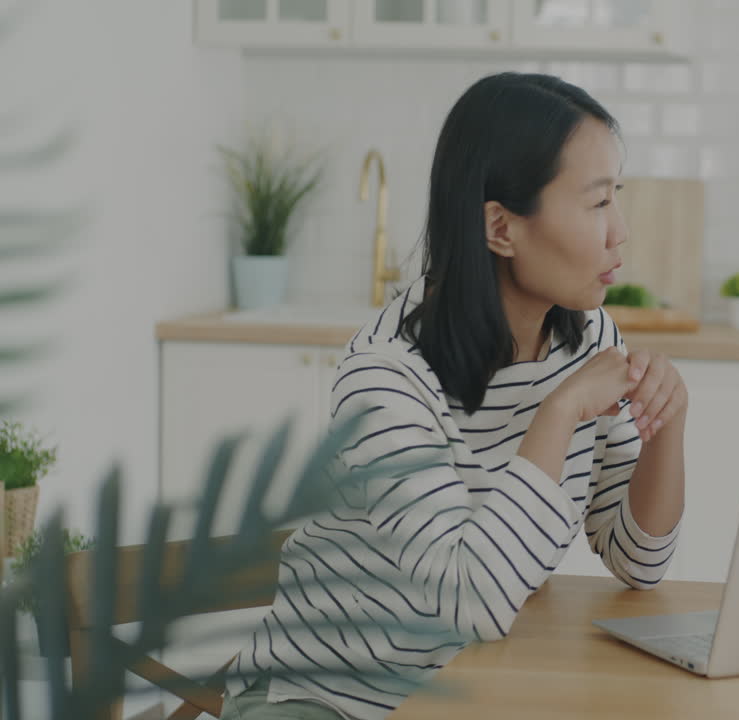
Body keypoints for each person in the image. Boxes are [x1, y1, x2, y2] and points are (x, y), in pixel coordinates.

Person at [223, 72, 688, 719]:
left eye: (617, 198)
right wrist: (558, 414)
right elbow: (468, 604)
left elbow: (639, 560)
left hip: (473, 689)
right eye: (597, 203)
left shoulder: (587, 339)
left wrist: (668, 423)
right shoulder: (387, 375)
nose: (621, 232)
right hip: (328, 698)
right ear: (501, 228)